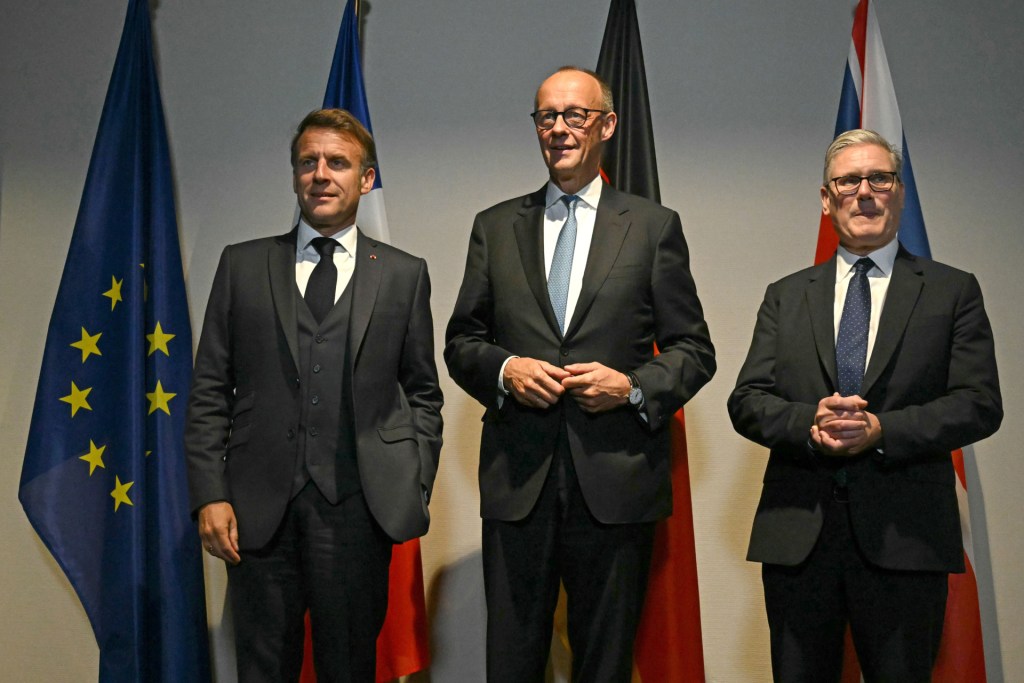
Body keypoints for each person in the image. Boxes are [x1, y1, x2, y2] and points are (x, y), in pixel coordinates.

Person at [444, 66, 715, 682]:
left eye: (576, 115)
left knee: (604, 665)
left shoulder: (652, 227)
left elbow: (694, 349)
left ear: (608, 125)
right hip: (519, 484)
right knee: (512, 662)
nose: (560, 129)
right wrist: (507, 368)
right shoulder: (494, 227)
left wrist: (633, 386)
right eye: (547, 116)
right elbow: (462, 342)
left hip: (616, 485)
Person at [728, 129, 1002, 681]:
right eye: (849, 180)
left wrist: (883, 430)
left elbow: (979, 404)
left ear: (900, 193)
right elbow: (747, 400)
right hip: (798, 539)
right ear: (826, 200)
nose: (865, 192)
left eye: (879, 178)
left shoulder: (952, 291)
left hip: (907, 539)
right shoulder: (786, 294)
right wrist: (809, 421)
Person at [185, 108, 443, 683]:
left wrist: (411, 477)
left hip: (358, 512)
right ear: (295, 173)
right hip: (256, 513)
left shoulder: (404, 274)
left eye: (338, 163)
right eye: (309, 162)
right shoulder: (243, 265)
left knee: (349, 668)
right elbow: (207, 390)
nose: (321, 174)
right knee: (261, 669)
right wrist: (209, 494)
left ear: (366, 179)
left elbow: (423, 392)